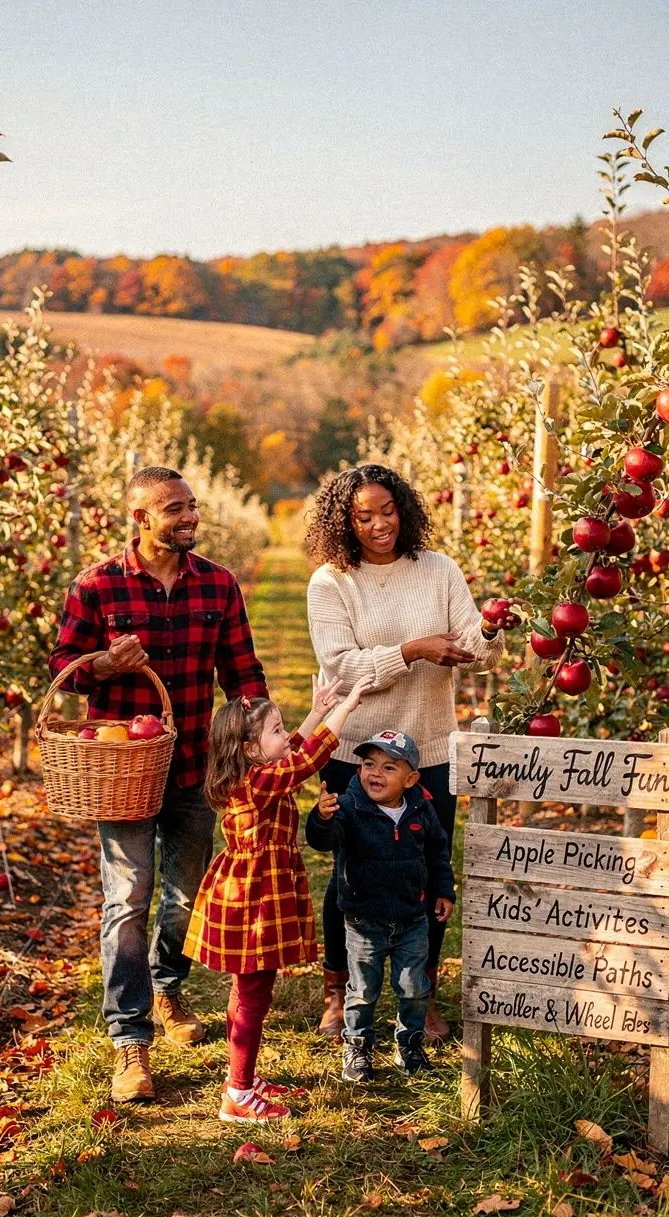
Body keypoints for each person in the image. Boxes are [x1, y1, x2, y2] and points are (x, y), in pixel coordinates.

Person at [49, 465, 267, 1105]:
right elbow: (62, 666)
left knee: (183, 896)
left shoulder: (218, 585)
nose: (189, 518)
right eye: (174, 509)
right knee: (127, 897)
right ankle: (130, 1038)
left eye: (191, 506)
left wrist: (258, 737)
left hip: (198, 766)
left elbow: (243, 672)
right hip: (121, 772)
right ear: (140, 517)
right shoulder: (96, 587)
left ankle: (167, 987)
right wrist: (102, 664)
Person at [305, 463, 515, 1042]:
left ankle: (418, 996)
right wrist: (413, 650)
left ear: (404, 508)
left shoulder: (438, 569)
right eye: (363, 516)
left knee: (425, 870)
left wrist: (493, 630)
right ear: (343, 523)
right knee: (354, 870)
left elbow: (474, 648)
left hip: (427, 749)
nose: (379, 525)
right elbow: (343, 666)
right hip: (355, 748)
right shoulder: (330, 582)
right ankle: (340, 988)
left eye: (387, 511)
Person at [183, 674, 371, 1124]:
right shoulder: (259, 783)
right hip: (254, 897)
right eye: (276, 730)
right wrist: (346, 708)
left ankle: (242, 1079)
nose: (286, 736)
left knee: (249, 991)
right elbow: (305, 760)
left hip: (253, 889)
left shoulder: (254, 774)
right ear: (250, 749)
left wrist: (318, 710)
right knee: (252, 995)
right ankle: (239, 1092)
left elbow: (291, 752)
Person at [306, 729, 456, 1082]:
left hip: (412, 918)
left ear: (411, 778)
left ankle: (410, 1046)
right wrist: (321, 818)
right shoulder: (348, 808)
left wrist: (443, 891)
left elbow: (437, 852)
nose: (375, 773)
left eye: (389, 767)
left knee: (414, 988)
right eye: (368, 763)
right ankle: (357, 1047)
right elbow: (322, 842)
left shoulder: (422, 809)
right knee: (362, 991)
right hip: (364, 920)